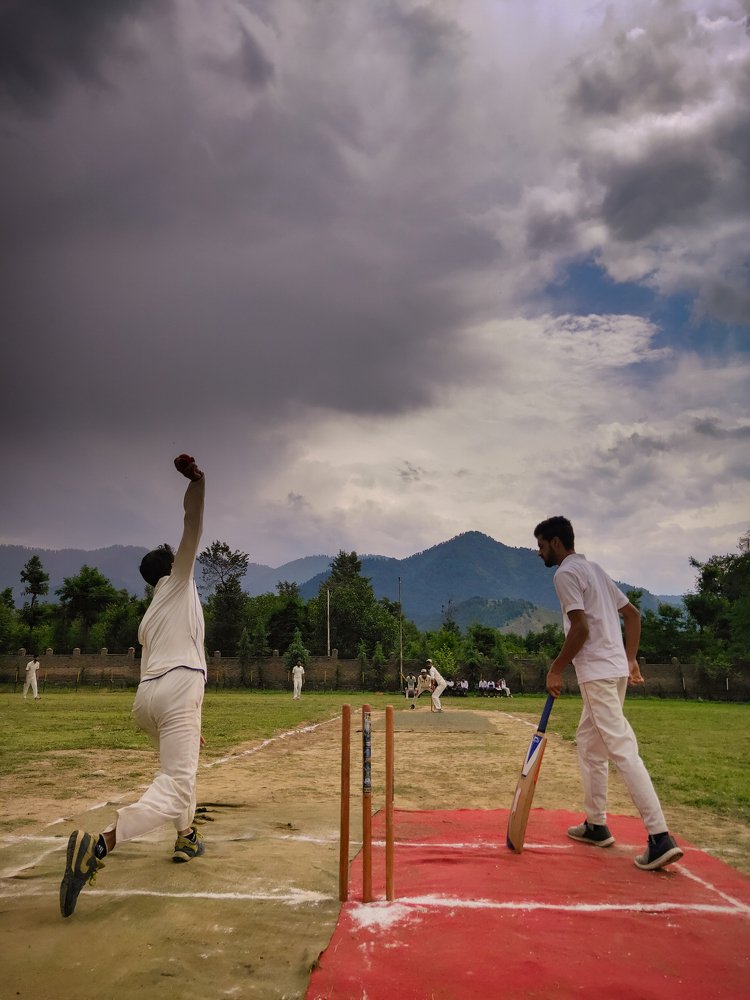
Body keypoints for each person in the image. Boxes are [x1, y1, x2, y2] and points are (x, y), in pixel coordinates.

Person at [60, 454, 208, 918]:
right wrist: (196, 483)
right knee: (178, 784)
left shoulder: (150, 614)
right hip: (179, 687)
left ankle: (186, 836)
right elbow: (192, 526)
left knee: (178, 772)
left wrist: (186, 719)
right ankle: (100, 844)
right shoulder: (180, 581)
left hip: (148, 700)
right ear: (172, 565)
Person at [534, 515, 683, 872]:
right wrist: (630, 660)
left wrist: (556, 668)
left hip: (598, 672)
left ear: (556, 543)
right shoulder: (595, 570)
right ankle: (596, 824)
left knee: (621, 747)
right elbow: (633, 616)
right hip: (613, 670)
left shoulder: (565, 573)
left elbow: (580, 628)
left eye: (541, 546)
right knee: (589, 743)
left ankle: (659, 836)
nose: (539, 553)